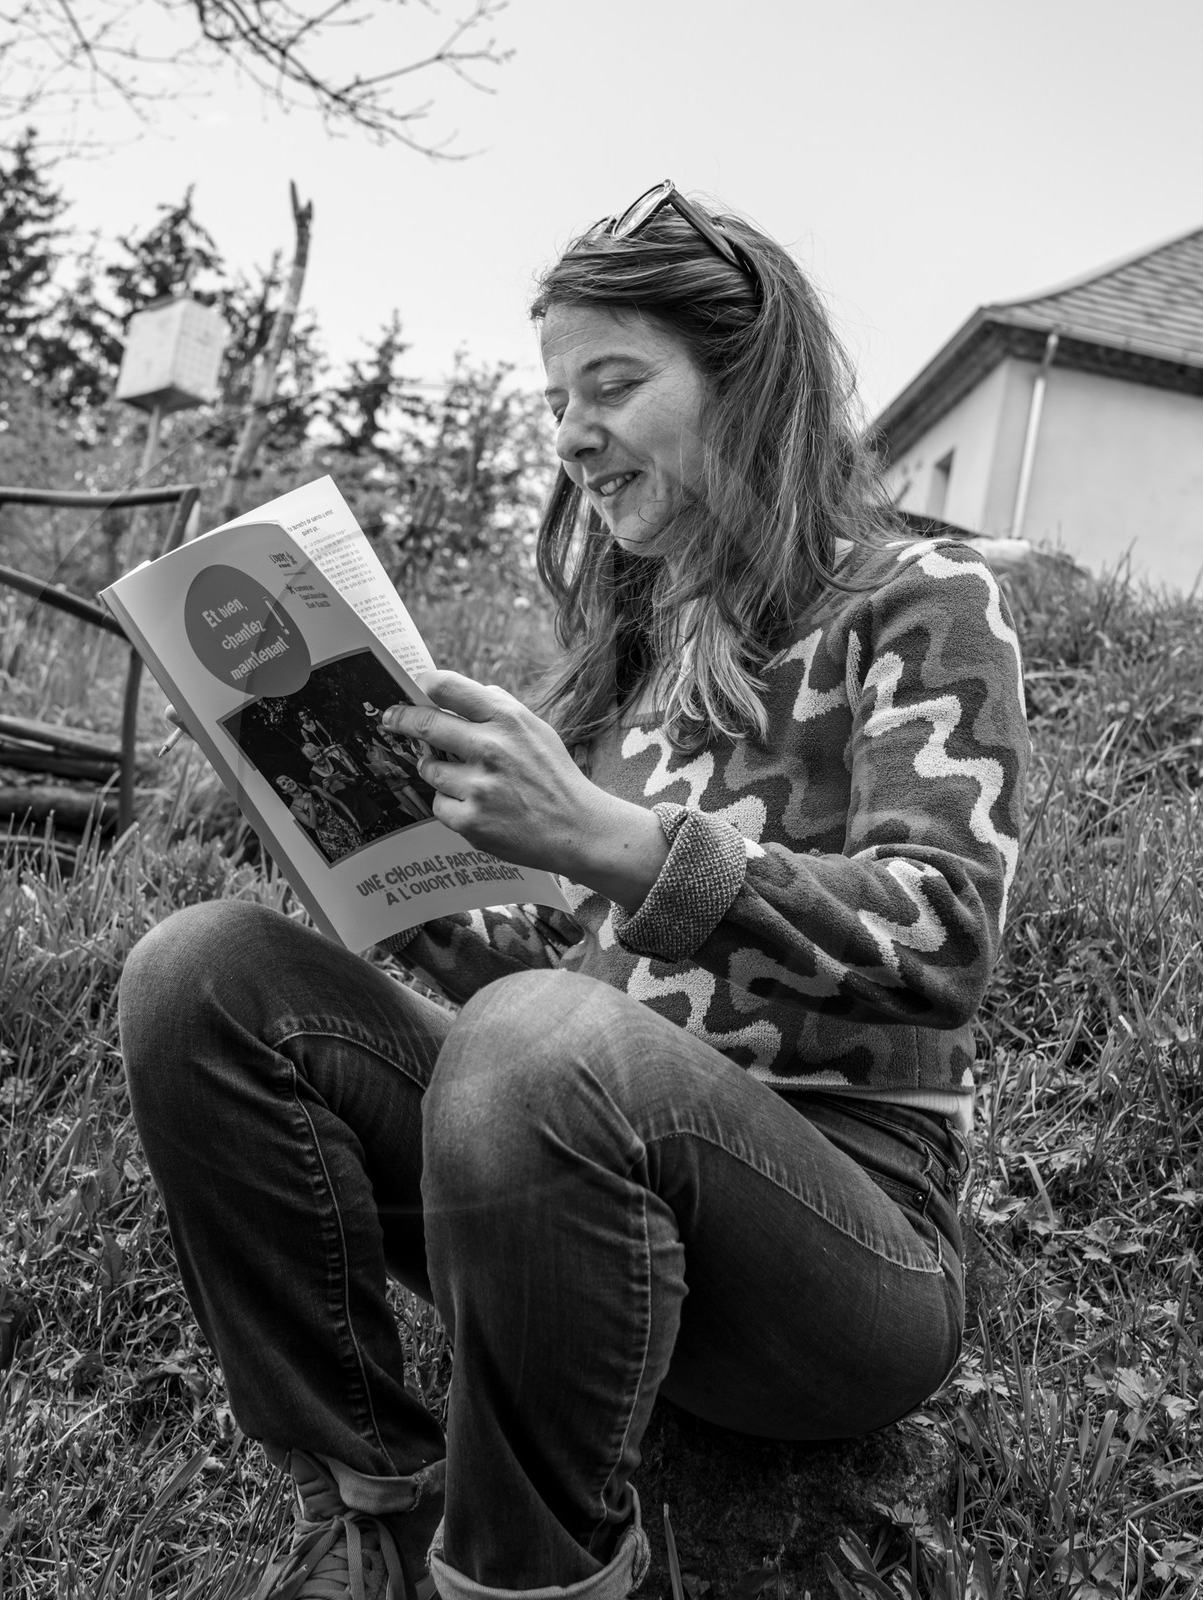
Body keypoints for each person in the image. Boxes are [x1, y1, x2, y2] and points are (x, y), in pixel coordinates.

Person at [120, 181, 1028, 1600]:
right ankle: (373, 1499)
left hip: (844, 1253)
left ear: (748, 386)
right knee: (199, 973)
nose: (571, 434)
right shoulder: (637, 646)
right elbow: (551, 1020)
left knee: (547, 1038)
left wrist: (612, 839)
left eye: (613, 384)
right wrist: (410, 905)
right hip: (586, 1209)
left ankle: (527, 1574)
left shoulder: (922, 600)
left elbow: (942, 932)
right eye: (556, 397)